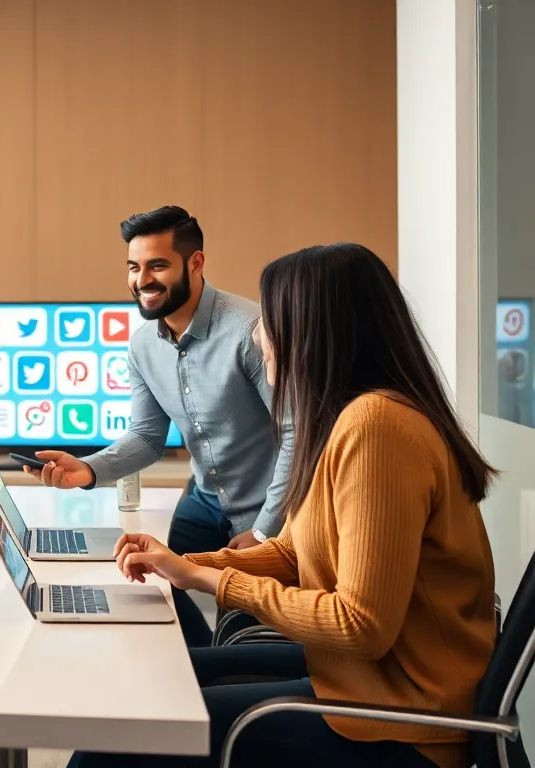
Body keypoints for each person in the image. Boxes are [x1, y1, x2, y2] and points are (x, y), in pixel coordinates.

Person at [67, 243, 497, 768]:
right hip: (359, 685)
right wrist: (182, 565)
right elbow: (295, 555)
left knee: (124, 737)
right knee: (149, 687)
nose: (256, 336)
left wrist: (210, 580)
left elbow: (360, 624)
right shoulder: (348, 420)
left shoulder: (378, 429)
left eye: (267, 322)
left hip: (400, 723)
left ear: (312, 331)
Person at [27, 206, 293, 646]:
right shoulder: (141, 345)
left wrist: (267, 529)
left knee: (245, 631)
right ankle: (193, 665)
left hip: (267, 509)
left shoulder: (249, 330)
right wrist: (88, 470)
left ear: (196, 263)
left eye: (157, 265)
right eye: (134, 267)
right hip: (205, 501)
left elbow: (295, 434)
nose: (141, 280)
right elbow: (148, 436)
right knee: (157, 589)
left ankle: (218, 677)